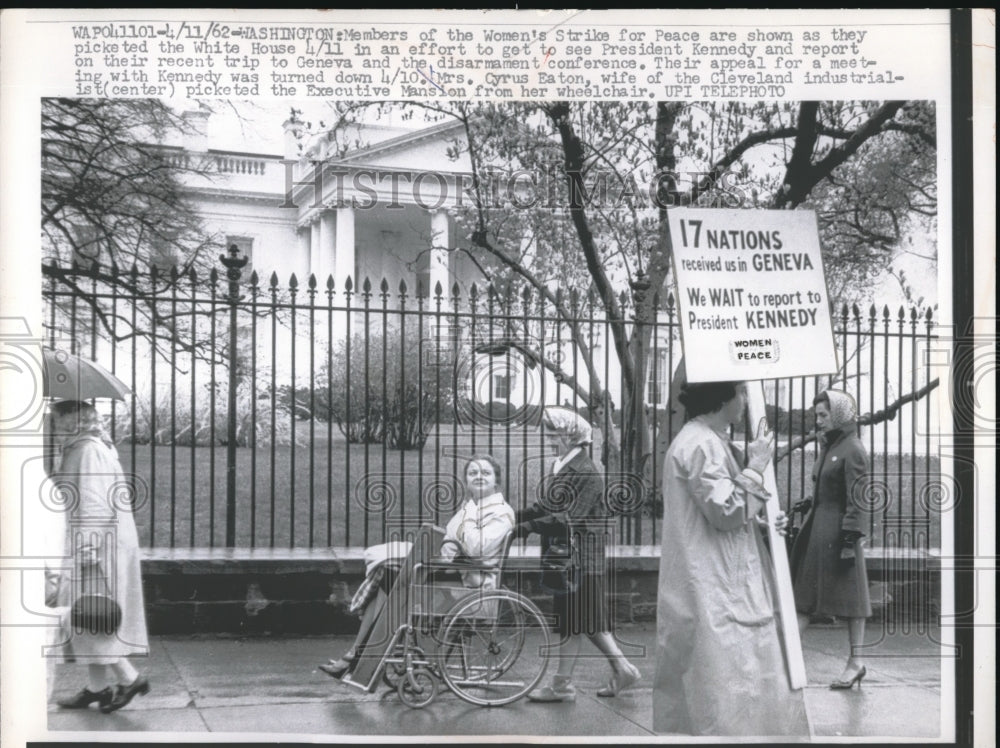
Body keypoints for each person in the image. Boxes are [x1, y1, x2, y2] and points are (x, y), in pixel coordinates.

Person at [652, 381, 809, 737]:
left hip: (713, 581)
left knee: (721, 688)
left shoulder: (706, 440)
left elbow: (725, 509)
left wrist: (762, 520)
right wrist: (755, 466)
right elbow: (726, 510)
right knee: (727, 691)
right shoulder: (701, 444)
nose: (745, 400)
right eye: (740, 392)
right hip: (715, 588)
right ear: (720, 396)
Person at [320, 454, 515, 678]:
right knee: (389, 577)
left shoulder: (499, 512)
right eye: (473, 473)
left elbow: (475, 548)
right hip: (454, 575)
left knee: (392, 581)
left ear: (496, 481)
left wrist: (467, 517)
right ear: (466, 480)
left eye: (485, 473)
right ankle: (356, 655)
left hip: (472, 584)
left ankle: (356, 657)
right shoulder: (473, 507)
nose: (479, 477)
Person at [515, 407, 640, 702]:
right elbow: (546, 508)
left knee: (583, 621)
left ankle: (610, 672)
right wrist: (511, 516)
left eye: (554, 433)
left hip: (581, 559)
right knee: (576, 621)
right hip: (566, 558)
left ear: (572, 436)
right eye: (548, 432)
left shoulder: (587, 473)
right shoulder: (562, 466)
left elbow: (567, 518)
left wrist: (525, 528)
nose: (548, 438)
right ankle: (575, 682)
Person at [47, 400, 150, 714]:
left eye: (57, 421)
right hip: (100, 544)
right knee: (90, 617)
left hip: (97, 548)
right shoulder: (86, 447)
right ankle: (97, 688)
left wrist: (86, 548)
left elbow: (93, 503)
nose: (52, 427)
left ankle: (130, 679)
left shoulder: (89, 451)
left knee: (91, 617)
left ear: (71, 422)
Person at [791, 389, 873, 689]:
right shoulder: (831, 445)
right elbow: (826, 487)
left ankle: (856, 663)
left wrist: (850, 539)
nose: (819, 420)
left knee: (853, 600)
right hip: (818, 531)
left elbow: (859, 499)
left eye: (824, 415)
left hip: (840, 534)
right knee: (804, 598)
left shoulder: (853, 449)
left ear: (838, 415)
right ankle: (786, 659)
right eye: (817, 415)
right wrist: (807, 502)